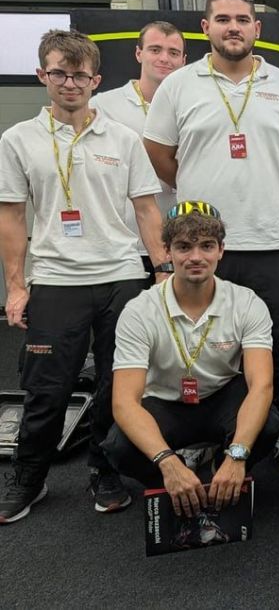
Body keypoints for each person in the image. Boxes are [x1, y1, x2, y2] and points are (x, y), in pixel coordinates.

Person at [0, 29, 167, 523]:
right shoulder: (18, 140)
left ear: (95, 80)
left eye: (79, 75)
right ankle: (30, 478)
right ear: (42, 76)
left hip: (121, 276)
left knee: (120, 386)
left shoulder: (124, 139)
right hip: (55, 280)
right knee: (47, 389)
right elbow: (11, 217)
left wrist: (161, 270)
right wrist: (15, 284)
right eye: (59, 73)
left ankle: (104, 471)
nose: (69, 83)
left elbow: (147, 209)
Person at [142, 0, 279, 431]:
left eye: (242, 20)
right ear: (206, 28)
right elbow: (159, 152)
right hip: (201, 246)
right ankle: (209, 432)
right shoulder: (179, 86)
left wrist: (276, 179)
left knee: (278, 341)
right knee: (201, 343)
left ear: (256, 29)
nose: (234, 28)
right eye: (223, 20)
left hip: (274, 239)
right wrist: (195, 186)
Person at [103, 202, 279, 518]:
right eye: (184, 247)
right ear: (167, 252)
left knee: (268, 424)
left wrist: (237, 456)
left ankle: (221, 468)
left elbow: (261, 386)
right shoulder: (139, 311)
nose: (196, 257)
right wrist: (168, 463)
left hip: (220, 396)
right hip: (165, 402)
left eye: (206, 246)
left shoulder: (246, 303)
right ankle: (181, 482)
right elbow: (124, 403)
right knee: (119, 446)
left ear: (221, 251)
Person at [91, 21, 187, 283]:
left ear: (183, 60)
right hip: (126, 246)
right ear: (139, 53)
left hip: (184, 243)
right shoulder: (102, 106)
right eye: (155, 50)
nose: (164, 58)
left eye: (173, 52)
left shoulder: (195, 105)